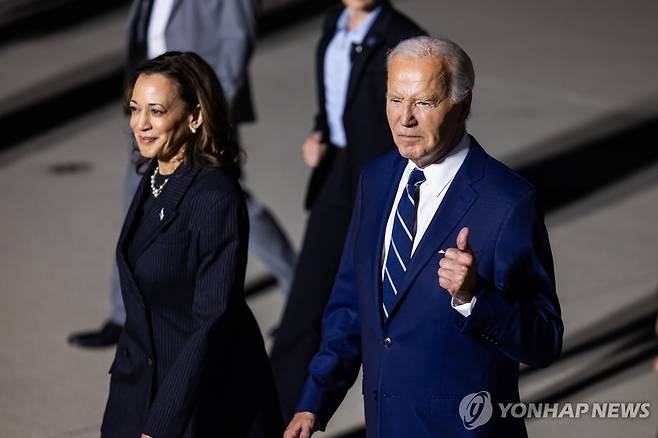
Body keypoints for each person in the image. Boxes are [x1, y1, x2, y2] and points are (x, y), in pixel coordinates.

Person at [284, 36, 564, 438]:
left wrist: (474, 297)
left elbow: (544, 341)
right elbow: (350, 304)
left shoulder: (507, 203)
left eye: (425, 103)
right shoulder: (376, 180)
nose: (405, 119)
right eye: (395, 100)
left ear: (463, 105)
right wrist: (314, 401)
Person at [68, 0, 296, 348]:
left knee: (230, 200)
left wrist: (213, 116)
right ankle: (123, 314)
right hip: (153, 106)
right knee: (137, 201)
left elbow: (236, 41)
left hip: (195, 113)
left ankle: (299, 290)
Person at [100, 52, 282, 438]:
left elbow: (211, 320)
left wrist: (162, 423)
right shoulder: (155, 174)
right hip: (137, 384)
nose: (140, 124)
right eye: (135, 109)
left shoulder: (215, 198)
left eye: (156, 111)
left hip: (193, 400)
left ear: (195, 116)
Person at [269, 0, 424, 421]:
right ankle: (277, 413)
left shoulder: (402, 39)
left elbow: (413, 121)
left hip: (378, 181)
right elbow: (337, 99)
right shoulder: (334, 23)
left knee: (370, 304)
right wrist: (320, 132)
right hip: (337, 172)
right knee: (306, 296)